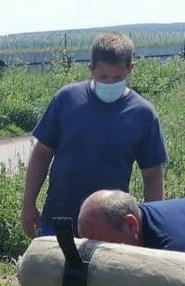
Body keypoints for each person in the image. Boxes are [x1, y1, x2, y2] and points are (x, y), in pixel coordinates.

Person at [21, 32, 168, 239]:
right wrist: (28, 205)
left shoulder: (143, 114)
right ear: (91, 69)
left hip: (109, 228)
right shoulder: (67, 99)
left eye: (117, 78)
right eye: (103, 77)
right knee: (49, 271)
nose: (110, 83)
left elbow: (152, 175)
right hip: (58, 220)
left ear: (130, 68)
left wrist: (152, 227)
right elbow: (42, 154)